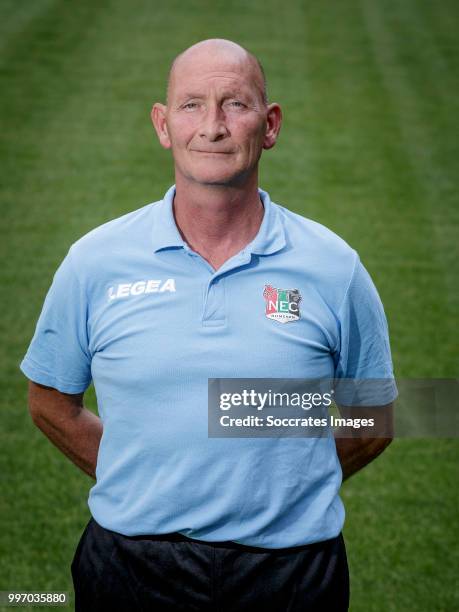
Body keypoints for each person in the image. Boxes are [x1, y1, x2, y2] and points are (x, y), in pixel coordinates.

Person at [20, 38, 397, 611]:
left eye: (235, 105)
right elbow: (50, 402)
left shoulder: (334, 267)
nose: (213, 126)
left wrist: (290, 484)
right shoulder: (94, 262)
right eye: (192, 104)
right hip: (130, 568)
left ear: (269, 125)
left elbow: (375, 417)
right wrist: (146, 478)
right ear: (163, 124)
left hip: (291, 573)